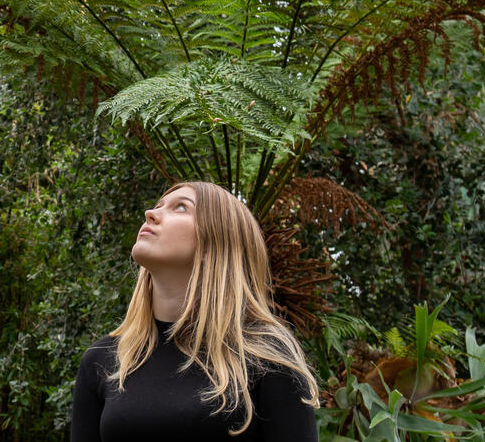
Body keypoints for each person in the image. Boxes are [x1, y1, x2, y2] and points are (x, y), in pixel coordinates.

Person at [70, 181, 319, 441]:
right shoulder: (103, 360)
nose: (151, 214)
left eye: (180, 207)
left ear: (217, 242)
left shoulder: (267, 358)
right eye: (158, 206)